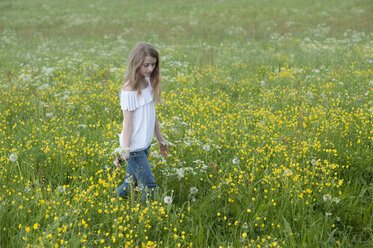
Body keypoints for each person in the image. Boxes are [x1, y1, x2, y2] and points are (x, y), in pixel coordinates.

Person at [115, 42, 169, 203]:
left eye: (153, 65)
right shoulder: (129, 89)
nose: (150, 69)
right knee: (150, 186)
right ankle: (146, 219)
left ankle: (111, 201)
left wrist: (160, 140)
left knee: (129, 183)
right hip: (135, 149)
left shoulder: (149, 82)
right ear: (136, 63)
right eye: (146, 65)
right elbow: (128, 123)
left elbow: (152, 115)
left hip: (145, 145)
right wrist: (125, 150)